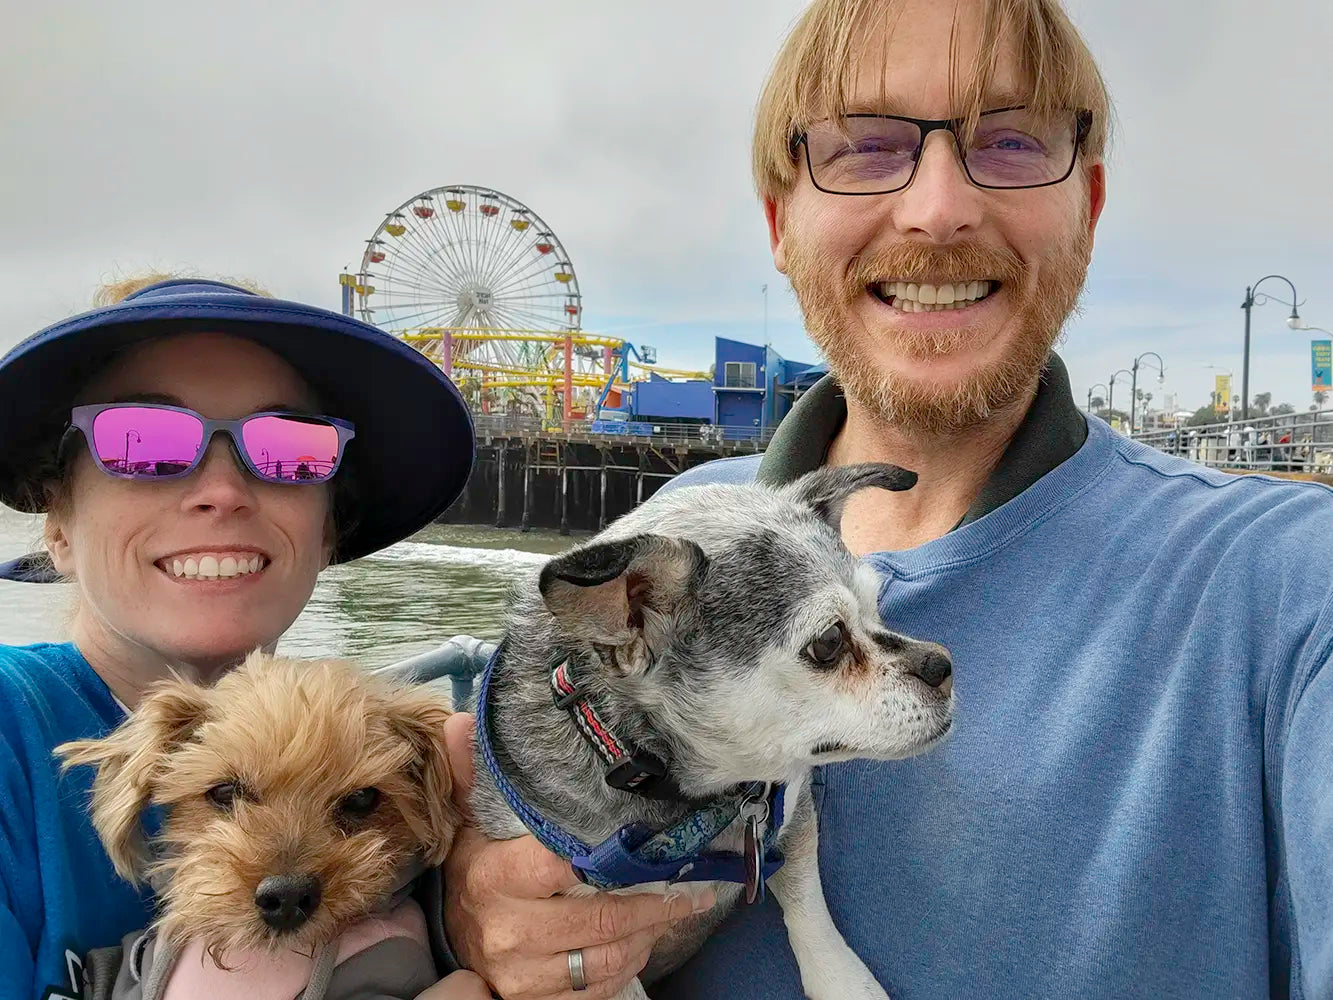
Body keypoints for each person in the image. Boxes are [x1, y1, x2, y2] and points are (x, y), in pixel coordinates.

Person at [441, 1, 1333, 998]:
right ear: (781, 225)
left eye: (1009, 139)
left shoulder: (1294, 586)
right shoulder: (670, 526)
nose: (937, 207)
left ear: (1087, 207)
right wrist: (463, 904)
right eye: (865, 147)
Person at [0, 276, 489, 1000]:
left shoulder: (418, 752)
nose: (222, 489)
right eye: (143, 441)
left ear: (326, 531)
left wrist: (476, 913)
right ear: (58, 525)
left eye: (290, 448)